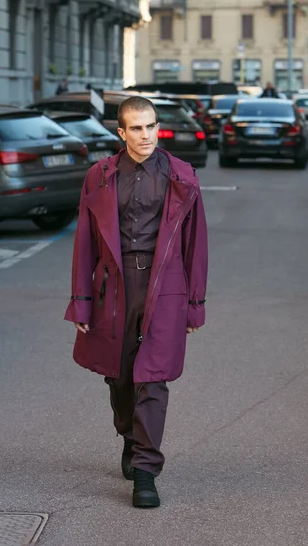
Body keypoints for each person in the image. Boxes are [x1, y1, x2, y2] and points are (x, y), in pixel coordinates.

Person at [64, 96, 208, 508]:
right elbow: (84, 243)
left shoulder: (181, 175)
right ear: (121, 132)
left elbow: (196, 245)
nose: (145, 135)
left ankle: (146, 469)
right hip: (114, 284)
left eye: (151, 127)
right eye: (137, 128)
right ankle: (129, 435)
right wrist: (82, 301)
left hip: (168, 286)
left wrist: (194, 303)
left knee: (154, 377)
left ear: (157, 128)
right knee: (120, 375)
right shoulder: (100, 176)